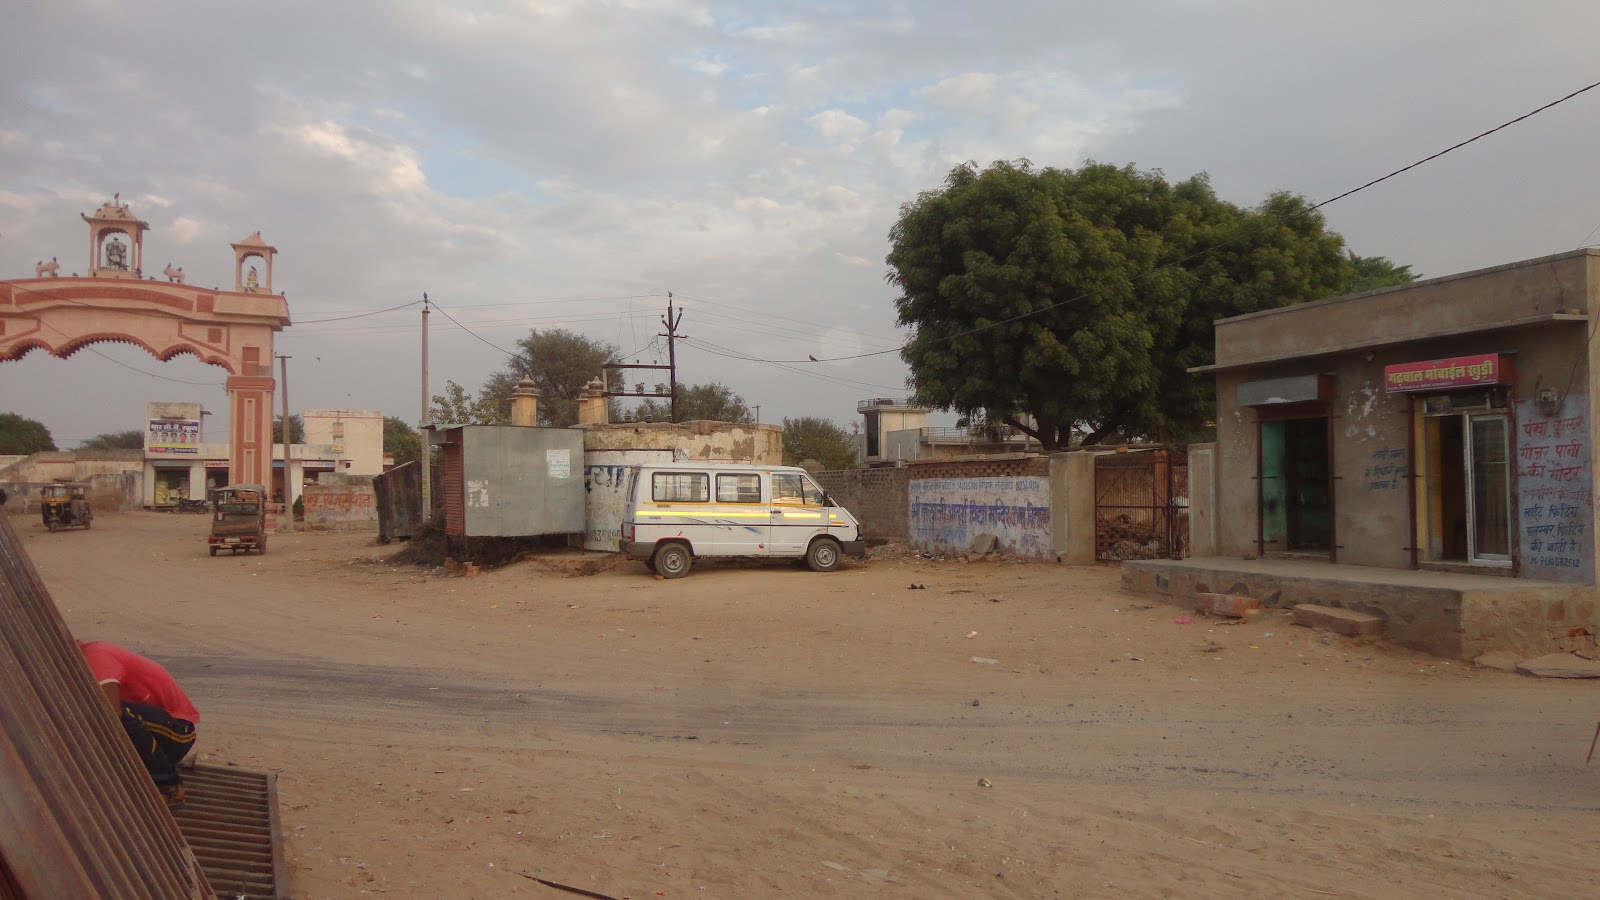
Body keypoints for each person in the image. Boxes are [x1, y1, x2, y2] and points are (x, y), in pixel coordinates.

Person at [76, 639, 200, 807]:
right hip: (152, 732)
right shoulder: (82, 659)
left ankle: (168, 785)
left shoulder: (96, 655)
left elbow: (112, 713)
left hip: (178, 732)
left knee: (112, 712)